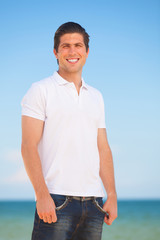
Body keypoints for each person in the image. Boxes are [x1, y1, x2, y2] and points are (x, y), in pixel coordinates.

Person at [21, 22, 117, 240]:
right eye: (65, 46)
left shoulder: (96, 96)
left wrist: (111, 194)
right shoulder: (40, 90)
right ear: (55, 52)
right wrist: (41, 195)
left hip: (94, 202)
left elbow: (103, 148)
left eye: (78, 45)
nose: (72, 51)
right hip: (56, 201)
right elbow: (28, 145)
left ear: (87, 52)